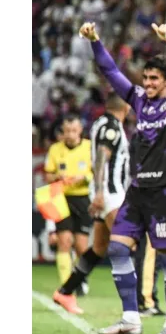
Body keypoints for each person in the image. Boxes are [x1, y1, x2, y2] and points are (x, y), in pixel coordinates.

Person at [80, 21, 166, 334]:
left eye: (154, 79)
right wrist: (95, 40)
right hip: (137, 190)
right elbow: (110, 70)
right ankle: (131, 318)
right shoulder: (139, 99)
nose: (147, 84)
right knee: (117, 249)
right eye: (145, 78)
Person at [52, 97, 129, 314]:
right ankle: (135, 308)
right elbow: (101, 159)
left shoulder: (100, 123)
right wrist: (100, 192)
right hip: (110, 195)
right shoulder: (111, 127)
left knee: (98, 248)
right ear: (126, 105)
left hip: (104, 193)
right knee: (127, 244)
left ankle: (65, 292)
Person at [44, 113, 93, 288]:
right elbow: (48, 174)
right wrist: (58, 176)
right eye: (67, 131)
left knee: (81, 247)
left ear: (80, 130)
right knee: (64, 241)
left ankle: (80, 278)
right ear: (63, 132)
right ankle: (67, 286)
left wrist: (84, 178)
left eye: (74, 130)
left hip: (83, 198)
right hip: (61, 198)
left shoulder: (89, 148)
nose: (71, 134)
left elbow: (98, 172)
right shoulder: (55, 149)